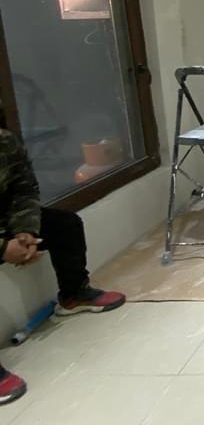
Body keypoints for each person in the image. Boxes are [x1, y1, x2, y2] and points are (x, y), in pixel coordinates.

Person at [0, 128, 126, 406]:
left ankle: (74, 295)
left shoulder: (4, 141)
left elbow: (24, 188)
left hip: (6, 223)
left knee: (65, 225)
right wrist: (3, 248)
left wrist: (25, 232)